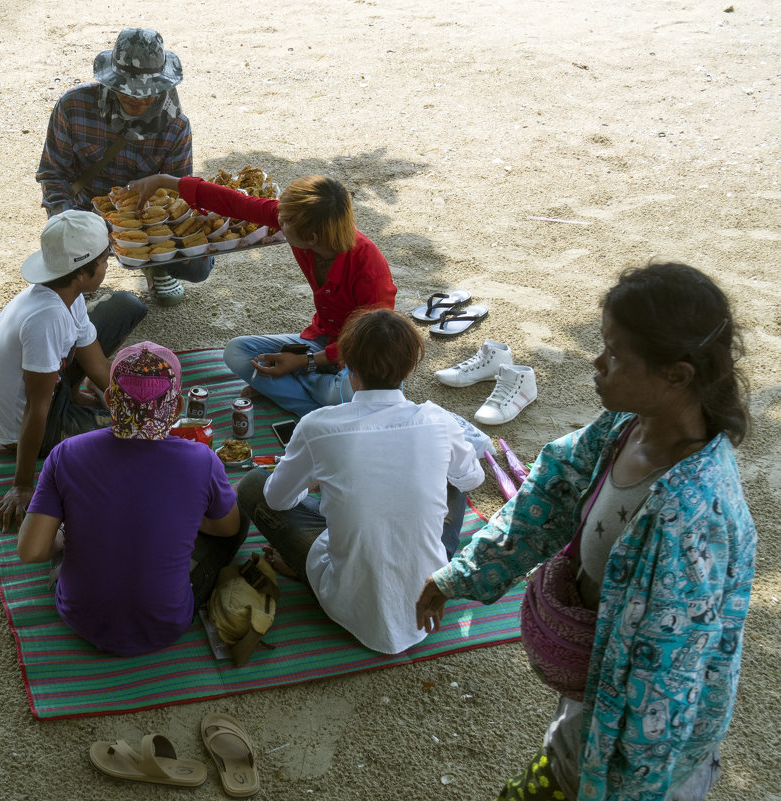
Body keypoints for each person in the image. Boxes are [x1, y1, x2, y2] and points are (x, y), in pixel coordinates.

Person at [416, 262, 757, 800]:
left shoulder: (692, 519)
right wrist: (460, 575)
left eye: (616, 355)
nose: (596, 365)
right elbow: (546, 497)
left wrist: (615, 785)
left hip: (634, 767)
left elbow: (667, 689)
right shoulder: (624, 430)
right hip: (596, 707)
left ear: (678, 374)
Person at [236, 309, 484, 654]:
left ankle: (307, 568)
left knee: (252, 485)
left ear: (348, 367)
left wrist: (317, 483)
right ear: (410, 367)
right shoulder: (438, 420)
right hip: (430, 587)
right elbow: (471, 479)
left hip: (348, 600)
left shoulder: (317, 425)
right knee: (454, 477)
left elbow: (277, 501)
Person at [16, 342, 248, 657]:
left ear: (110, 399)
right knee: (238, 516)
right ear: (177, 408)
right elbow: (227, 528)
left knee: (71, 533)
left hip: (80, 617)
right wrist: (176, 519)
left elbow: (30, 551)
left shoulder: (66, 454)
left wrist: (62, 537)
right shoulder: (202, 461)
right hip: (165, 624)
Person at [127, 172, 397, 416]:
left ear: (312, 237)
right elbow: (234, 203)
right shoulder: (307, 229)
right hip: (323, 341)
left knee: (348, 393)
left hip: (359, 357)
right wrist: (164, 181)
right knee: (237, 352)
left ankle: (300, 399)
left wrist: (302, 362)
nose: (278, 219)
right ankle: (319, 406)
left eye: (286, 220)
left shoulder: (368, 266)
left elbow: (371, 343)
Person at [0, 210, 146, 531]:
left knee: (127, 306)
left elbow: (96, 364)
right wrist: (23, 484)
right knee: (137, 435)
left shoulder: (67, 292)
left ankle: (74, 399)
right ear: (82, 273)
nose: (108, 264)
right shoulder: (47, 318)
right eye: (105, 260)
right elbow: (35, 408)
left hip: (45, 389)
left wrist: (137, 401)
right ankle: (68, 415)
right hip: (26, 425)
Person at [36, 28, 212, 306]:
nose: (139, 100)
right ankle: (80, 276)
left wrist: (174, 233)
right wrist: (67, 228)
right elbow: (53, 174)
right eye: (128, 90)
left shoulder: (176, 124)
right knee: (68, 283)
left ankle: (158, 266)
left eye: (149, 92)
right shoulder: (72, 107)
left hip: (146, 217)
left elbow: (177, 191)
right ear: (112, 81)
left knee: (198, 265)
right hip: (86, 212)